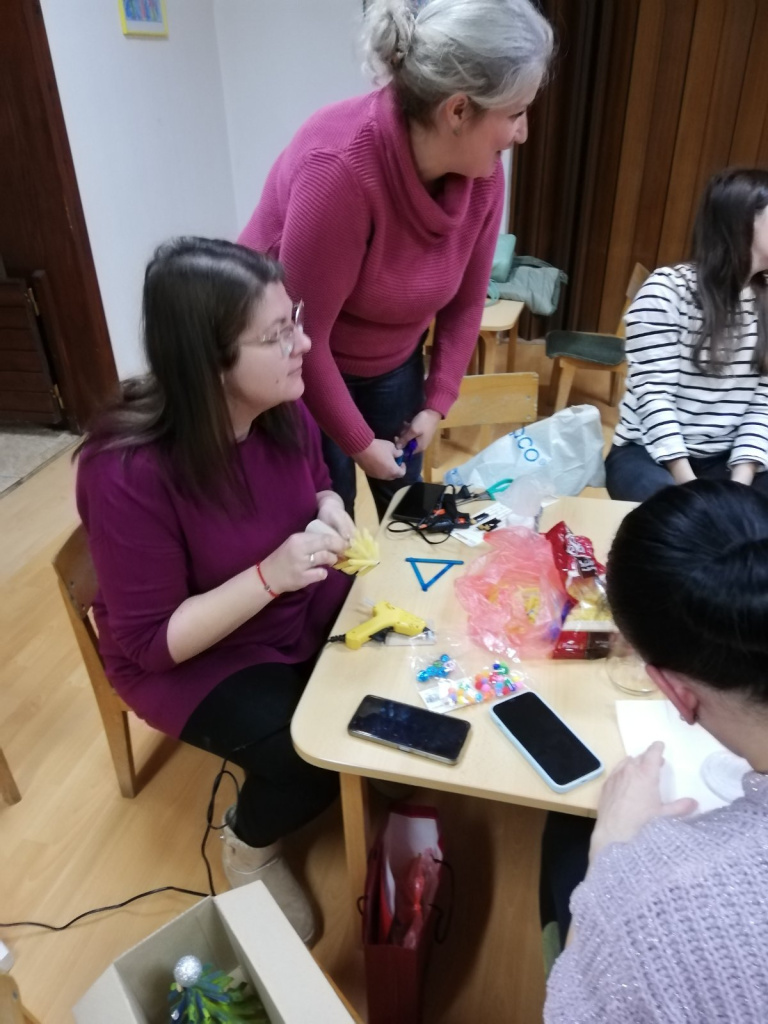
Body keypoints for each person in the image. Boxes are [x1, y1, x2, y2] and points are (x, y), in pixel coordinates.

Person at [75, 237, 356, 946]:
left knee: (381, 688)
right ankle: (248, 843)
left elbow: (321, 478)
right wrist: (269, 575)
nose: (304, 343)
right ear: (209, 362)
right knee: (310, 760)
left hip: (289, 601)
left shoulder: (279, 404)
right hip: (191, 656)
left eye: (295, 320)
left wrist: (329, 508)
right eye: (278, 334)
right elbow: (151, 641)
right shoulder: (126, 471)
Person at [239, 0, 553, 519]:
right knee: (329, 518)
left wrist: (436, 402)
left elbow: (467, 301)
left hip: (392, 359)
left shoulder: (484, 176)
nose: (522, 133)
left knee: (408, 509)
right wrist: (361, 444)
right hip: (295, 364)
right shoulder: (339, 170)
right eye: (515, 113)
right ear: (458, 111)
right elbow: (301, 335)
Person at [544, 479, 768, 1022]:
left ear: (675, 692)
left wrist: (611, 850)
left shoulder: (660, 899)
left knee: (565, 830)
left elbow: (567, 1013)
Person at [606, 167, 768, 502]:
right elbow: (654, 396)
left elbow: (763, 405)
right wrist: (691, 488)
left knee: (745, 515)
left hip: (728, 456)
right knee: (680, 518)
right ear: (741, 222)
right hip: (649, 454)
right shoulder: (668, 290)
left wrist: (739, 486)